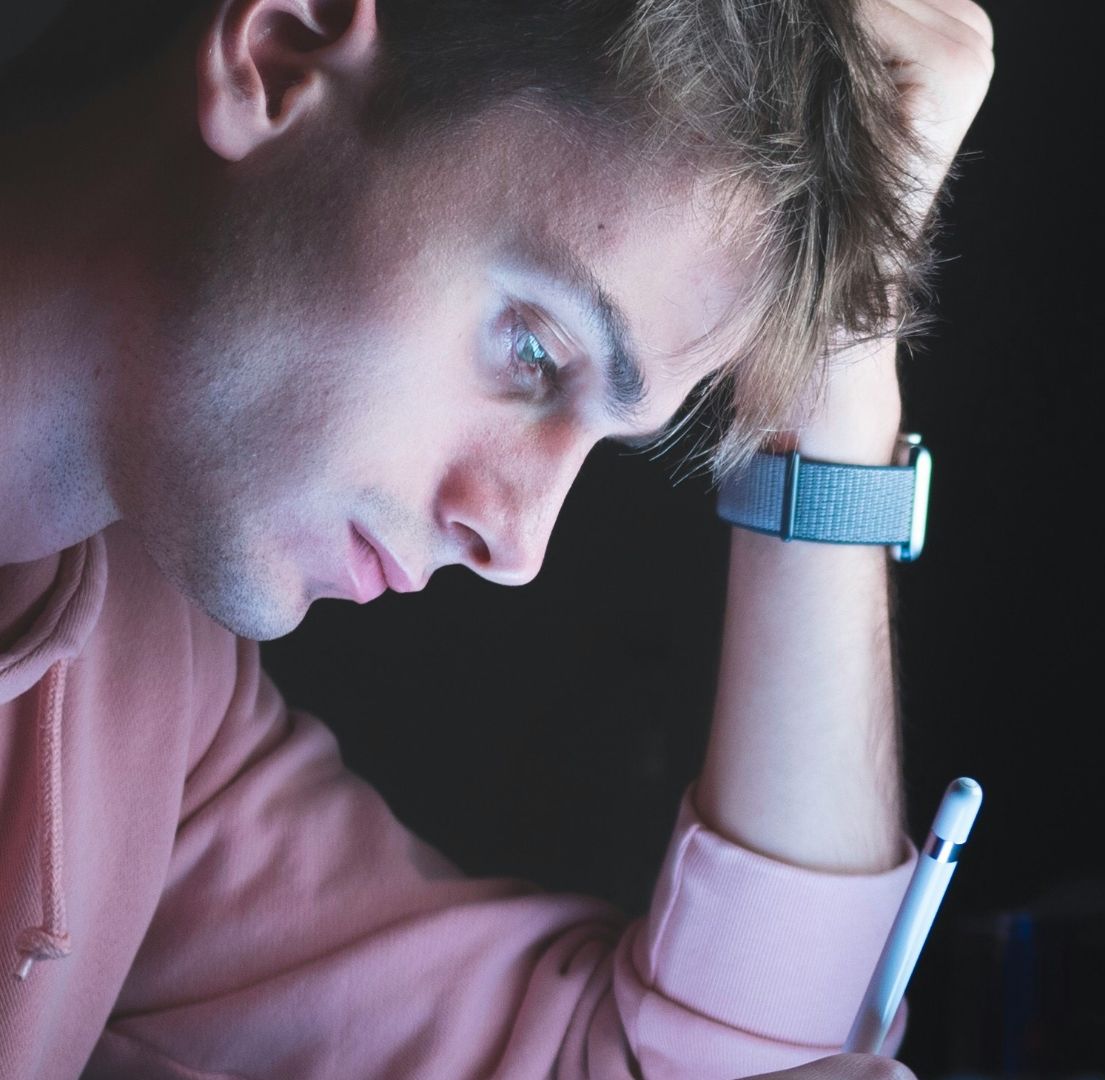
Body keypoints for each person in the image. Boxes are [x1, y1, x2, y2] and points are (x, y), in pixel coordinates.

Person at [0, 0, 992, 1075]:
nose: (516, 545)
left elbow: (748, 1068)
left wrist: (841, 355)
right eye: (531, 349)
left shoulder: (151, 704)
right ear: (278, 51)